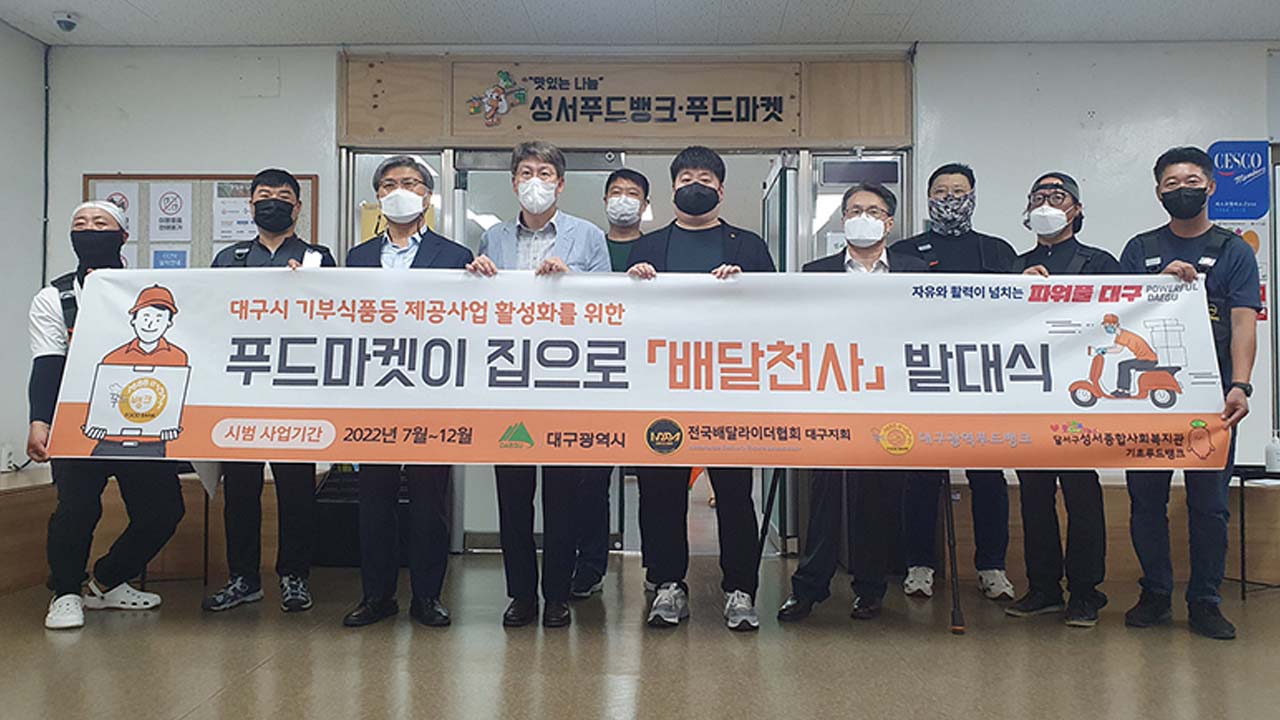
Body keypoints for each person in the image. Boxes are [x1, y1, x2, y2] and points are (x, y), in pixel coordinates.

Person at [627, 145, 774, 631]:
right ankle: (667, 583)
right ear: (672, 188)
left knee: (734, 492)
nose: (696, 185)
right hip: (661, 388)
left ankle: (740, 589)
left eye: (706, 178)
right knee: (660, 492)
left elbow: (777, 312)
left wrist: (747, 287)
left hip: (729, 390)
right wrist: (632, 284)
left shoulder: (747, 247)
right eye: (686, 177)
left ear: (721, 190)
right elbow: (625, 318)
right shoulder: (648, 247)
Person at [466, 141, 612, 628]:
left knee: (562, 498)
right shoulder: (492, 239)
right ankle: (521, 595)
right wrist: (477, 277)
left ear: (560, 184)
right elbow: (481, 312)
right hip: (510, 384)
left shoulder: (588, 236)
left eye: (545, 173)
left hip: (565, 385)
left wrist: (574, 282)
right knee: (513, 497)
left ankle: (556, 595)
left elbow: (610, 308)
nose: (535, 181)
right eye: (526, 172)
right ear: (513, 182)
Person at [1119, 146, 1260, 640]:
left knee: (1210, 505)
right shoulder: (1139, 249)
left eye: (1192, 181)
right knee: (1145, 502)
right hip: (1148, 399)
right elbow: (1116, 315)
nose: (1182, 190)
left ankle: (1205, 601)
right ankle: (1155, 594)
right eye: (1172, 184)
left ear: (1211, 186)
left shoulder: (1235, 250)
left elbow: (1243, 323)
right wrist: (1154, 286)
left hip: (1212, 400)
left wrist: (1240, 384)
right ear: (1159, 192)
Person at [29, 201, 185, 630]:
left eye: (101, 223)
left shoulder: (147, 291)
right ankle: (65, 593)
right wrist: (40, 420)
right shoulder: (54, 297)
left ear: (123, 236)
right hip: (77, 422)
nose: (89, 229)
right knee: (76, 510)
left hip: (146, 419)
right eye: (80, 223)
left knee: (163, 511)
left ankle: (105, 582)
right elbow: (47, 364)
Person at [776, 183, 927, 623]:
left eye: (873, 211)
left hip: (889, 398)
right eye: (855, 210)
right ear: (843, 220)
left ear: (889, 222)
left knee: (875, 496)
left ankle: (870, 588)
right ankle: (809, 587)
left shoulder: (915, 271)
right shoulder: (815, 272)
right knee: (824, 492)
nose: (864, 217)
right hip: (831, 395)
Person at [342, 156, 474, 628]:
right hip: (375, 394)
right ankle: (377, 595)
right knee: (374, 499)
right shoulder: (357, 257)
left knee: (428, 500)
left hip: (430, 395)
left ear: (428, 196)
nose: (400, 191)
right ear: (378, 195)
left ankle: (427, 596)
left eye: (411, 183)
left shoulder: (455, 255)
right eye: (390, 184)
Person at [202, 168, 335, 614]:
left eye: (282, 196)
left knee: (296, 490)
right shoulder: (229, 259)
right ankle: (243, 577)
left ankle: (294, 576)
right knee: (240, 489)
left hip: (295, 393)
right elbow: (210, 316)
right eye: (264, 195)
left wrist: (310, 288)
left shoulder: (318, 258)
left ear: (297, 207)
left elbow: (336, 318)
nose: (272, 202)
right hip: (240, 391)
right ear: (251, 205)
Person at [890, 162, 1018, 602]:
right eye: (941, 191)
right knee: (922, 475)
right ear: (928, 199)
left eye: (958, 191)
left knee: (988, 476)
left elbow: (1018, 313)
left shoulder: (997, 251)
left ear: (973, 196)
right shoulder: (904, 252)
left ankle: (992, 567)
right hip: (923, 376)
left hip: (982, 378)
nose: (950, 198)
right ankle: (919, 565)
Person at [1007, 172, 1118, 627]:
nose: (1047, 204)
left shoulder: (1100, 262)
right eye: (1038, 197)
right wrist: (1017, 289)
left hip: (1081, 395)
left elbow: (1120, 316)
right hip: (1030, 393)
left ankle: (1087, 592)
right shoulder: (1013, 265)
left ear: (1076, 209)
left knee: (1081, 493)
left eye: (1057, 196)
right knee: (1034, 494)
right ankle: (1043, 587)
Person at [1098, 313, 1159, 397]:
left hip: (1148, 360)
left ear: (1115, 325)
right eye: (1105, 326)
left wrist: (1104, 350)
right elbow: (1116, 347)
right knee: (1123, 365)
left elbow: (1118, 349)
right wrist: (1104, 350)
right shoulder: (1120, 335)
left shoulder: (1124, 335)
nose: (1106, 328)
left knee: (1124, 365)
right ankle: (1122, 390)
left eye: (1108, 325)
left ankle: (1124, 391)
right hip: (1144, 358)